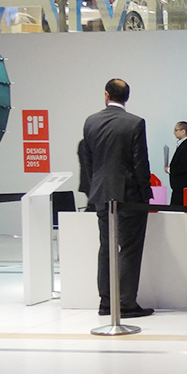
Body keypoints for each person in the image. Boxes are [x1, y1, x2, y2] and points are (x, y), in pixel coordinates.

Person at [77, 78, 153, 318]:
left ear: (106, 95)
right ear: (126, 97)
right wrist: (145, 193)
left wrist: (94, 191)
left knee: (106, 248)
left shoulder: (91, 121)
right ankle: (126, 302)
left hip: (101, 194)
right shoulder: (135, 123)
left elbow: (88, 162)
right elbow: (141, 163)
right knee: (129, 249)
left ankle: (106, 301)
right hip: (128, 195)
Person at [168, 121, 187, 207]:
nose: (174, 132)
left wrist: (169, 169)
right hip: (179, 187)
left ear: (183, 131)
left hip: (181, 187)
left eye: (176, 130)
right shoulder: (183, 145)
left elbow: (183, 166)